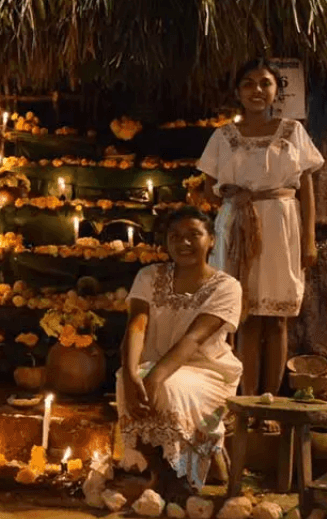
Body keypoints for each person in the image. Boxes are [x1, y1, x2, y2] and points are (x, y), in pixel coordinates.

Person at [197, 58, 324, 404]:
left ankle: (271, 400)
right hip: (238, 225)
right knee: (246, 317)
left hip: (281, 226)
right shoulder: (223, 137)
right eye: (249, 83)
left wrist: (309, 241)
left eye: (265, 83)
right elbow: (208, 188)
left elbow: (307, 188)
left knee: (278, 318)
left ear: (276, 92)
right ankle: (247, 400)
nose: (257, 90)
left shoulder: (292, 132)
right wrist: (233, 195)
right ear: (237, 92)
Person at [117, 207, 242, 501]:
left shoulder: (227, 286)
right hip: (153, 365)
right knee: (125, 379)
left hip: (207, 371)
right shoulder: (148, 275)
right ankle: (160, 473)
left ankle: (179, 481)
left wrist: (156, 377)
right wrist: (132, 372)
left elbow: (195, 338)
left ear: (211, 239)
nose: (183, 243)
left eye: (193, 235)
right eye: (175, 236)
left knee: (168, 388)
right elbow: (137, 323)